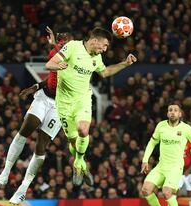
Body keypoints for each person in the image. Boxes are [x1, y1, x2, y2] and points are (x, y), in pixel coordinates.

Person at [45, 27, 136, 185]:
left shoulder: (97, 58)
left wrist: (125, 64)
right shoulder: (73, 46)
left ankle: (78, 162)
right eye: (104, 45)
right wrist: (57, 66)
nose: (105, 49)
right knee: (74, 142)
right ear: (94, 41)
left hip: (83, 100)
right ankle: (81, 164)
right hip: (64, 102)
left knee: (83, 130)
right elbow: (49, 64)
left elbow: (105, 72)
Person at [0, 26, 71, 204]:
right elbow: (52, 76)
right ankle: (5, 173)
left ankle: (23, 188)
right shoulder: (56, 52)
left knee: (41, 146)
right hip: (44, 98)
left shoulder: (77, 61)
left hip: (60, 106)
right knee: (25, 129)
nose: (60, 43)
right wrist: (35, 87)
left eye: (64, 40)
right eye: (59, 40)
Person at [166, 140, 191, 206]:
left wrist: (190, 169)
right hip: (178, 172)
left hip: (189, 172)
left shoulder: (190, 143)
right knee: (174, 192)